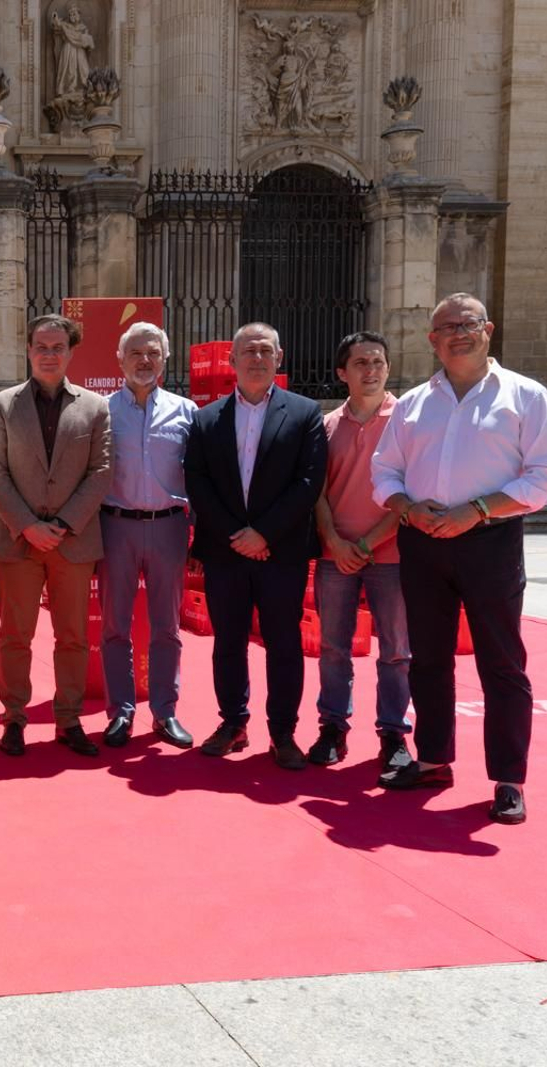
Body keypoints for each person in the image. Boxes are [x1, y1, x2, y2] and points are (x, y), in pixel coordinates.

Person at [372, 293, 547, 824]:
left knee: (501, 663)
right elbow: (383, 471)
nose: (459, 332)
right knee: (429, 659)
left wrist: (477, 510)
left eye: (469, 323)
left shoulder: (525, 396)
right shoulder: (413, 403)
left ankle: (508, 778)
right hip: (422, 542)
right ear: (432, 340)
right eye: (447, 327)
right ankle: (434, 758)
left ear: (489, 330)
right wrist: (407, 507)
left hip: (491, 543)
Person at [184, 322, 327, 770]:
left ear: (279, 358)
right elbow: (197, 483)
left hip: (280, 551)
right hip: (226, 551)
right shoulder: (207, 419)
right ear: (232, 361)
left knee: (284, 643)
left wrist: (263, 533)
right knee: (228, 641)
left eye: (266, 351)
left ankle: (283, 732)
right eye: (248, 351)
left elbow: (308, 482)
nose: (257, 358)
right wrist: (238, 535)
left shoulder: (305, 414)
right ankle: (233, 722)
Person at [0, 314, 112, 759]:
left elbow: (101, 473)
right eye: (42, 346)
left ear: (71, 352)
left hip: (72, 541)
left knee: (72, 636)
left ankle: (69, 718)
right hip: (17, 541)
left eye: (58, 347)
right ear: (29, 350)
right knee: (15, 635)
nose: (50, 354)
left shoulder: (96, 408)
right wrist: (29, 526)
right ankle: (14, 718)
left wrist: (61, 526)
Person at [308, 330, 412, 773]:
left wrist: (370, 543)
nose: (371, 371)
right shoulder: (326, 426)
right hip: (337, 555)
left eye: (378, 362)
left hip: (392, 554)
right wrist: (335, 541)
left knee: (395, 650)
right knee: (333, 647)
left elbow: (412, 492)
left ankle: (393, 733)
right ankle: (333, 726)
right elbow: (317, 492)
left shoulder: (408, 421)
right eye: (361, 363)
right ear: (342, 373)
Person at [98, 321, 197, 750]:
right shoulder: (101, 411)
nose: (144, 361)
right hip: (115, 526)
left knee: (167, 627)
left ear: (165, 359)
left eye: (153, 353)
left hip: (169, 526)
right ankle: (120, 711)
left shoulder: (187, 412)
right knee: (115, 625)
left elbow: (199, 475)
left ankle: (165, 711)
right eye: (136, 353)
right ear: (119, 360)